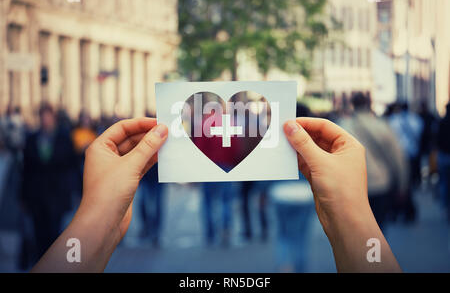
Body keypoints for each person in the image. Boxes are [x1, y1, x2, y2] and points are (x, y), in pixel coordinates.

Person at [31, 117, 401, 273]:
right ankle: (223, 232)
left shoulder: (206, 127)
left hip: (214, 173)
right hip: (228, 173)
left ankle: (216, 232)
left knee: (215, 203)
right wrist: (354, 219)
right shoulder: (230, 128)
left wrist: (95, 223)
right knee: (222, 204)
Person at [339, 93, 408, 230]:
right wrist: (402, 185)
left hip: (353, 186)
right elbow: (398, 157)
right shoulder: (382, 126)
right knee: (378, 227)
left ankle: (362, 251)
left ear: (352, 104)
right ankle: (375, 250)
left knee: (358, 230)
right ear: (369, 104)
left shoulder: (343, 126)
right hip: (380, 184)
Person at [20, 103, 78, 262]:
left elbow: (71, 164)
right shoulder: (32, 139)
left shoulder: (63, 138)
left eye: (48, 116)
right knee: (39, 233)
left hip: (57, 194)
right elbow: (26, 170)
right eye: (42, 116)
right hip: (36, 196)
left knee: (55, 231)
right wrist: (23, 197)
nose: (45, 120)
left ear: (53, 118)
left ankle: (53, 264)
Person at [437, 103, 450, 222]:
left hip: (443, 155)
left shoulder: (442, 122)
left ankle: (445, 207)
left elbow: (437, 139)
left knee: (444, 182)